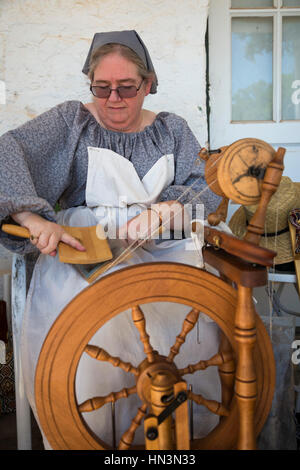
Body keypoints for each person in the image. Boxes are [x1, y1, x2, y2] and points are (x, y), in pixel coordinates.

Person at [0, 30, 223, 449]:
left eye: (126, 88)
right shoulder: (73, 121)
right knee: (98, 323)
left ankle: (175, 435)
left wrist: (165, 211)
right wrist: (32, 216)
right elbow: (5, 152)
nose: (114, 98)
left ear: (149, 84)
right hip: (92, 250)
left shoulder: (172, 129)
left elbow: (208, 186)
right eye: (102, 88)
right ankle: (91, 437)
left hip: (164, 246)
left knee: (197, 310)